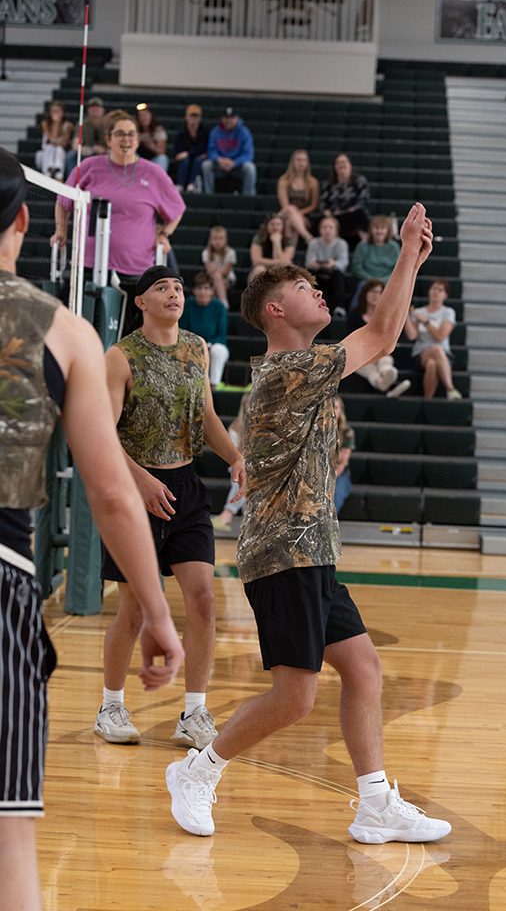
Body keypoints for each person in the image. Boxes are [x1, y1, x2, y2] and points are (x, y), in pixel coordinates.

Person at [165, 203, 452, 847]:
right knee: (295, 697)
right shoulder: (287, 371)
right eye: (303, 286)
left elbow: (382, 334)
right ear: (275, 310)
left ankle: (375, 805)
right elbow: (382, 334)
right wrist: (407, 252)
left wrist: (410, 260)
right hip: (282, 556)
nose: (318, 290)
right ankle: (197, 770)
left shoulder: (306, 368)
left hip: (313, 550)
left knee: (364, 668)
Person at [0, 149, 184, 911]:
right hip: (3, 574)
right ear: (22, 220)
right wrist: (158, 614)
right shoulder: (64, 332)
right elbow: (110, 493)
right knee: (9, 841)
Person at [95, 266, 245, 750]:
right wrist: (139, 479)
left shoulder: (198, 348)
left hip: (186, 489)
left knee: (203, 600)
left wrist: (236, 456)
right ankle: (110, 706)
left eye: (178, 287)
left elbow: (207, 416)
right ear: (140, 301)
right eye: (162, 287)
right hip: (133, 490)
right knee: (134, 609)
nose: (174, 293)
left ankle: (194, 713)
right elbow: (101, 434)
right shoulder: (120, 357)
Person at [52, 110, 185, 309]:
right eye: (120, 134)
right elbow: (63, 202)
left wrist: (165, 235)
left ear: (138, 140)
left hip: (135, 268)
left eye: (131, 134)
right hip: (87, 263)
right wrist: (61, 230)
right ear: (108, 139)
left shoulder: (153, 172)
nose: (126, 139)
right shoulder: (88, 166)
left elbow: (177, 209)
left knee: (129, 324)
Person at [346, 279, 411, 397]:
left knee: (386, 360)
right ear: (365, 293)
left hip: (379, 353)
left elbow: (387, 339)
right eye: (372, 291)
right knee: (366, 367)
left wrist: (376, 355)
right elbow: (352, 339)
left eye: (379, 292)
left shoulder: (386, 316)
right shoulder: (354, 314)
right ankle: (390, 385)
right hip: (359, 355)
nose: (376, 295)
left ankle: (385, 379)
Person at [403, 279, 462, 400]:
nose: (436, 292)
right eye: (434, 288)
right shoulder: (418, 312)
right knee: (437, 350)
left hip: (443, 354)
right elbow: (412, 336)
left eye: (440, 290)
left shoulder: (448, 312)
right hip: (421, 352)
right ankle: (450, 389)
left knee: (432, 363)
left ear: (445, 295)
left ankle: (428, 399)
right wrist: (406, 316)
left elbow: (440, 336)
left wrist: (425, 322)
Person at [180, 271, 230, 387]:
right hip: (191, 345)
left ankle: (213, 387)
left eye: (206, 288)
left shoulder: (219, 307)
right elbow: (182, 331)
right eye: (199, 288)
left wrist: (208, 345)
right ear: (194, 290)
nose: (203, 292)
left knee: (218, 351)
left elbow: (221, 335)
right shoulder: (187, 305)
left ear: (212, 290)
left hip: (213, 345)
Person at [211, 391, 250, 532]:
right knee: (243, 474)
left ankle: (228, 513)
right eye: (248, 404)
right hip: (242, 465)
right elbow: (235, 455)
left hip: (260, 467)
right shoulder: (235, 428)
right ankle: (229, 513)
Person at [318, 153, 370, 249]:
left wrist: (350, 210)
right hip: (335, 216)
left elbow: (363, 199)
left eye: (344, 162)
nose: (341, 165)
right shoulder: (328, 184)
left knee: (361, 217)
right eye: (338, 163)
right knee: (325, 222)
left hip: (352, 214)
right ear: (334, 167)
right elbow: (322, 203)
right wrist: (327, 212)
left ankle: (366, 248)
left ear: (350, 165)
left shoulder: (359, 180)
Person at [201, 107, 256, 196]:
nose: (229, 120)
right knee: (206, 165)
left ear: (237, 118)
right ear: (222, 119)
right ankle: (208, 195)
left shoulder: (244, 132)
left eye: (231, 118)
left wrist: (234, 162)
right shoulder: (215, 132)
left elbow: (248, 154)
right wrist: (219, 159)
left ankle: (248, 197)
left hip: (237, 166)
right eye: (226, 118)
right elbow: (211, 151)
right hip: (220, 165)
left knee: (250, 168)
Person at [305, 215, 349, 317]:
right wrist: (315, 264)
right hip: (318, 275)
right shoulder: (313, 243)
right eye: (324, 227)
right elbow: (308, 263)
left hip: (333, 276)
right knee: (310, 274)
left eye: (330, 227)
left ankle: (339, 307)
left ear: (336, 231)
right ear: (320, 230)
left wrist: (333, 264)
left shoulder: (342, 244)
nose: (327, 230)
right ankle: (309, 306)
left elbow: (343, 263)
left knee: (338, 275)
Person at [277, 149, 319, 244]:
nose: (301, 163)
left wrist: (298, 214)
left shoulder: (313, 182)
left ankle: (289, 252)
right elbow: (285, 205)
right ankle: (307, 236)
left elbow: (313, 205)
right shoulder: (284, 180)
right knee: (290, 210)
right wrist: (295, 214)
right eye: (298, 160)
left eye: (304, 160)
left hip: (304, 215)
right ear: (293, 162)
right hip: (286, 212)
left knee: (290, 223)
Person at [351, 214, 401, 291]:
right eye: (376, 228)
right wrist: (371, 279)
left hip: (388, 281)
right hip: (366, 281)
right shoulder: (362, 246)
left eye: (382, 228)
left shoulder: (394, 247)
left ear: (388, 230)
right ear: (371, 229)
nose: (379, 231)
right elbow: (356, 267)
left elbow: (398, 269)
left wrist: (383, 279)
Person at [64, 96, 106, 179]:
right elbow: (75, 145)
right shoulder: (82, 123)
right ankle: (72, 180)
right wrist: (82, 149)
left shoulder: (109, 123)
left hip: (105, 154)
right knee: (71, 156)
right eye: (92, 108)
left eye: (97, 108)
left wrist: (104, 150)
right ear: (88, 110)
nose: (95, 111)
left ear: (102, 110)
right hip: (87, 154)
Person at [248, 213, 295, 283]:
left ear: (283, 226)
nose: (275, 227)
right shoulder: (259, 238)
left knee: (287, 272)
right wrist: (279, 262)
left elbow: (284, 264)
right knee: (260, 269)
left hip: (279, 271)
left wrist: (277, 242)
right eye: (272, 224)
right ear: (267, 226)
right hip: (263, 269)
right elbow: (256, 261)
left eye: (278, 224)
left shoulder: (288, 241)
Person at [174, 104, 208, 192]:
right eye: (191, 116)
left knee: (198, 159)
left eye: (196, 116)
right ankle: (180, 185)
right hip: (185, 161)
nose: (193, 119)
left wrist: (188, 153)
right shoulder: (181, 133)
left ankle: (192, 185)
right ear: (186, 117)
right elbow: (179, 152)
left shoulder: (204, 133)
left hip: (197, 159)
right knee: (185, 160)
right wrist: (188, 154)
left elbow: (202, 148)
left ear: (200, 118)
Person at [35, 100, 73, 181]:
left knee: (58, 150)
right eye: (53, 111)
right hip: (45, 155)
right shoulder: (45, 123)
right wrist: (55, 124)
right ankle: (47, 174)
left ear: (62, 113)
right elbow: (50, 140)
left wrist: (57, 123)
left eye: (57, 111)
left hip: (58, 156)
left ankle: (58, 175)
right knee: (50, 148)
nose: (55, 114)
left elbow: (63, 144)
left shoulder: (68, 125)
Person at [202, 225, 236, 307]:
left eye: (221, 238)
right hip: (212, 279)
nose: (218, 241)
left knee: (216, 279)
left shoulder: (230, 253)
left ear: (225, 240)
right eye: (215, 238)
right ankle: (223, 303)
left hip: (228, 280)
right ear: (210, 240)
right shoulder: (206, 252)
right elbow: (209, 270)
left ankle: (220, 305)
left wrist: (216, 270)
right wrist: (217, 272)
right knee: (215, 281)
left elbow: (226, 273)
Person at [334, 396, 354, 515]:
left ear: (340, 410)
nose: (332, 411)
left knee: (335, 493)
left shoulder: (347, 431)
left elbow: (342, 460)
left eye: (335, 408)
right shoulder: (317, 430)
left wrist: (328, 481)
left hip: (339, 473)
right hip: (318, 473)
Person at [136, 103, 169, 172]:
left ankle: (159, 178)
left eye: (145, 115)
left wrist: (152, 146)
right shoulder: (135, 130)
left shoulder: (158, 130)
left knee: (163, 158)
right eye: (141, 116)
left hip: (153, 159)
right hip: (140, 159)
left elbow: (162, 151)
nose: (143, 118)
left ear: (150, 115)